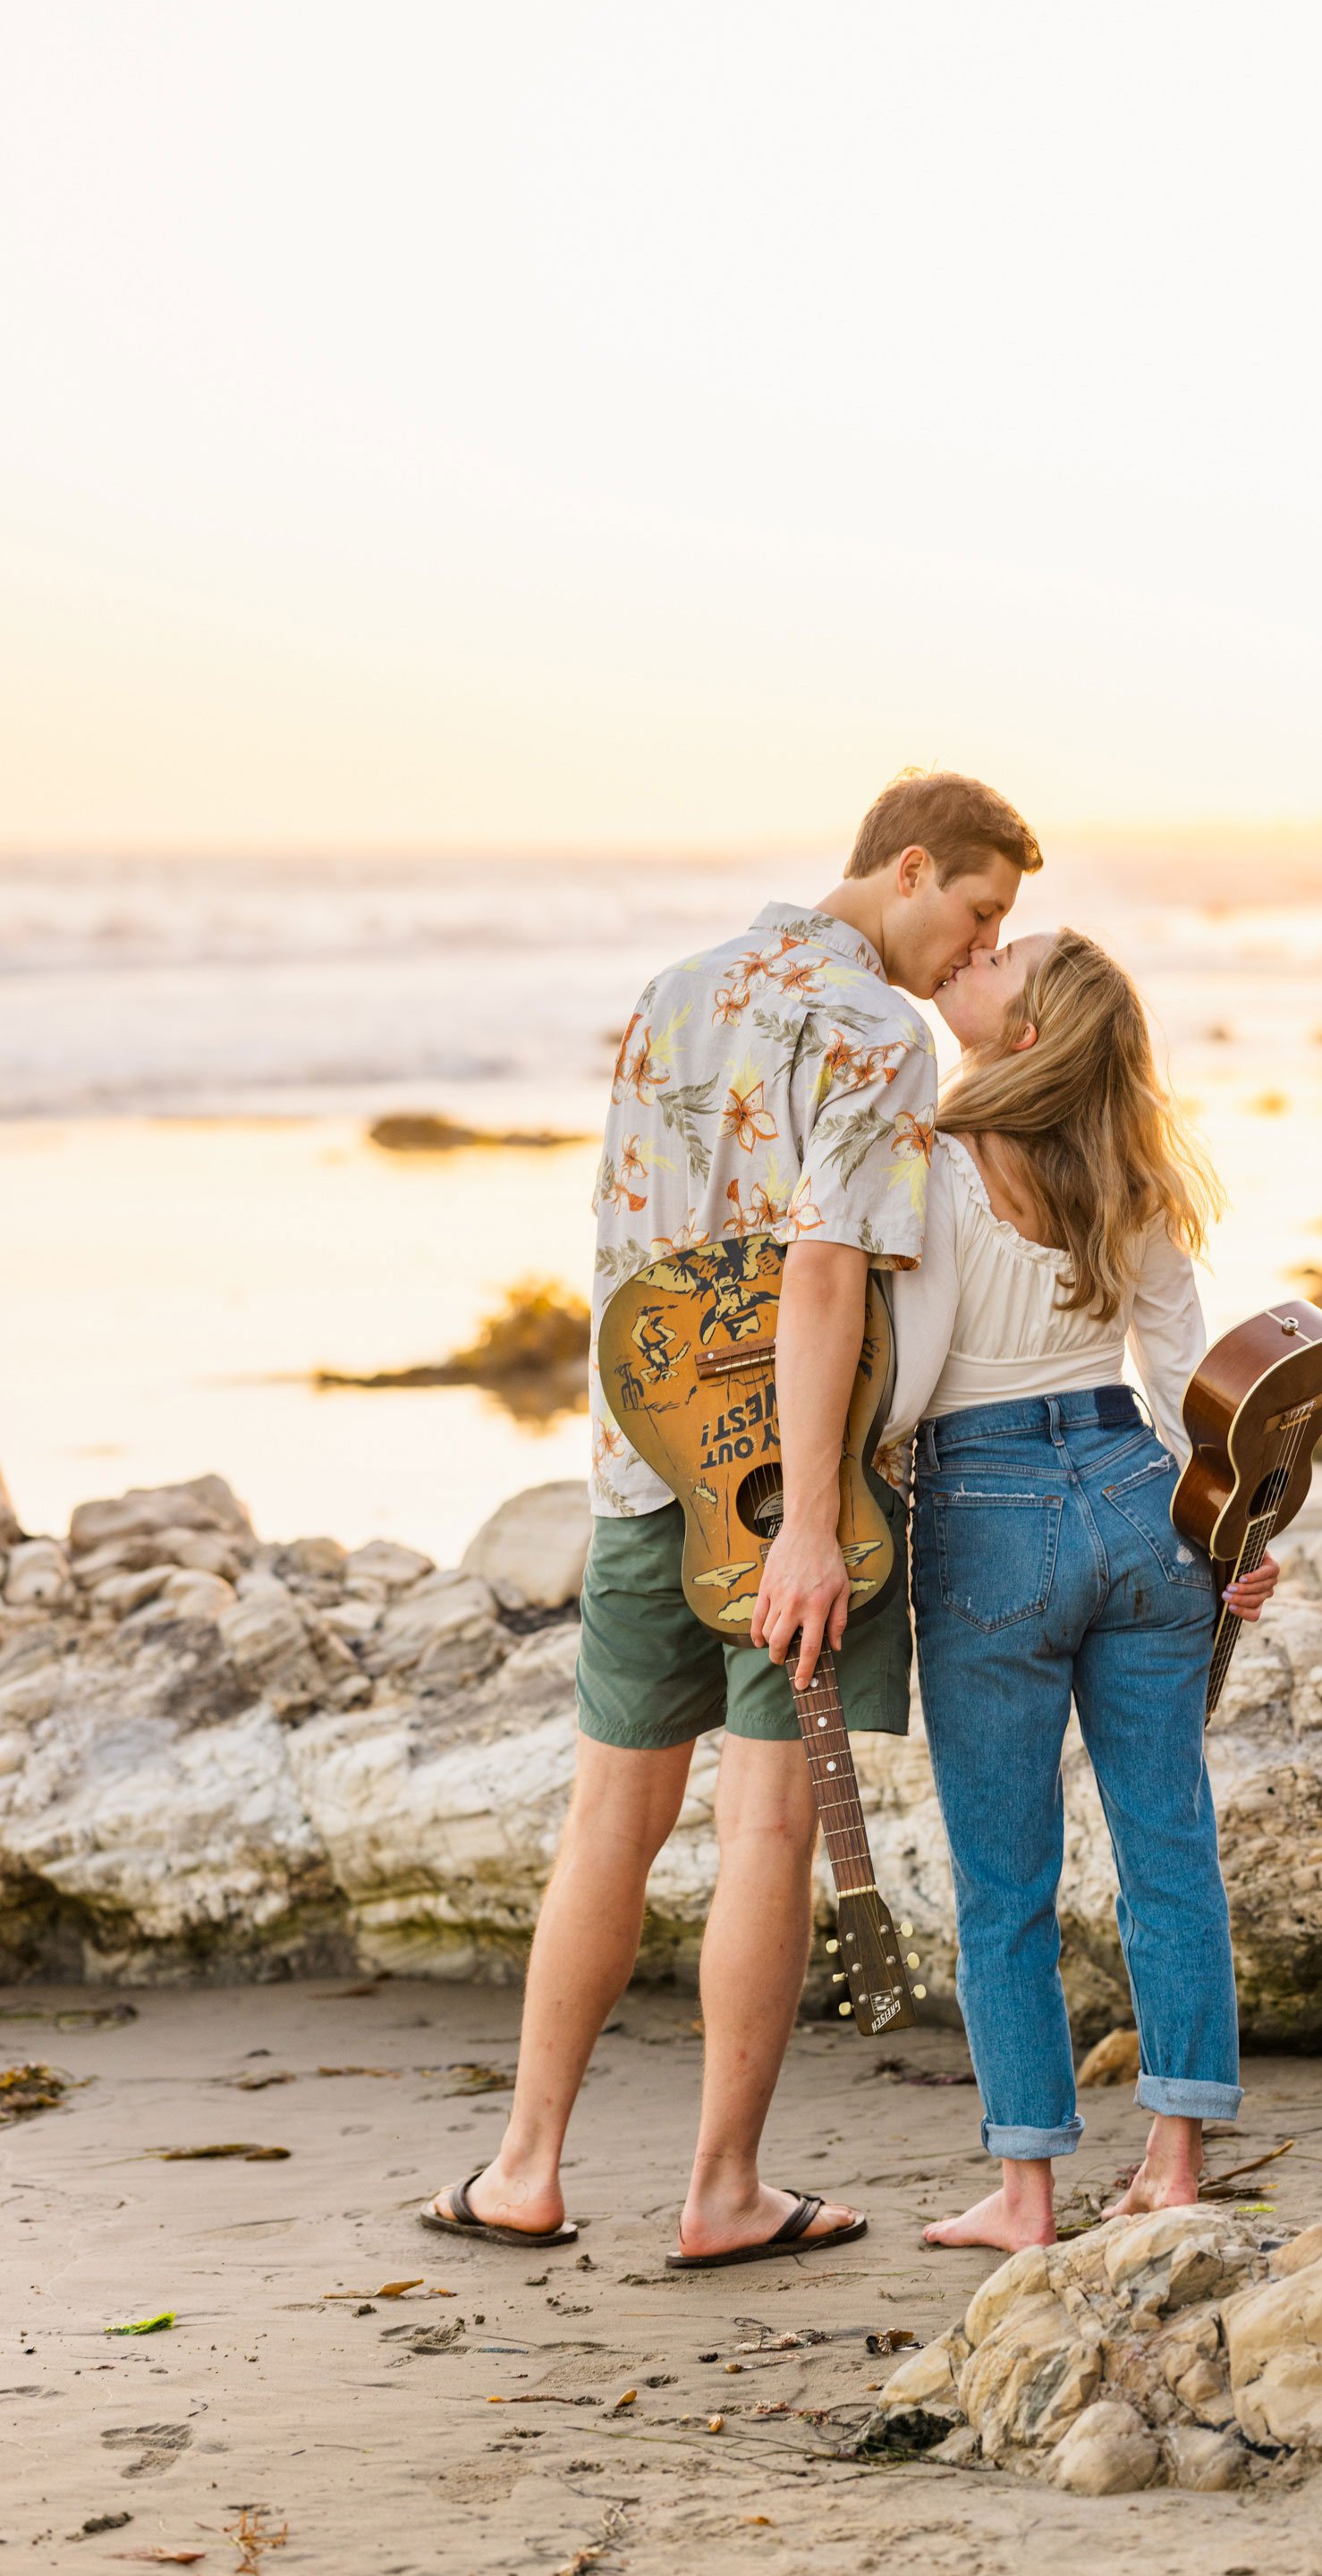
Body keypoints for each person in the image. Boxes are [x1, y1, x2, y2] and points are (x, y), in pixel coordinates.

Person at [424, 770, 1041, 2263]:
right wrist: (816, 1519)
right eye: (977, 913)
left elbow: (628, 1247)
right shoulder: (877, 1028)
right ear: (909, 869)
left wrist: (642, 1455)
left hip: (649, 1472)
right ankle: (721, 2195)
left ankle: (524, 2170)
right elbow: (829, 1270)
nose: (976, 950)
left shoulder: (675, 989)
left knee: (608, 1821)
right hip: (800, 1487)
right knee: (766, 1822)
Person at [881, 928, 1277, 2253]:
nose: (972, 961)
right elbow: (1184, 1374)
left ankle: (1027, 2194)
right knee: (1169, 1845)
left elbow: (914, 1373)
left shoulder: (931, 1157)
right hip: (1136, 1491)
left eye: (1004, 963)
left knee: (1005, 1882)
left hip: (988, 1506)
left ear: (1027, 1034)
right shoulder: (1130, 1170)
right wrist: (1227, 1530)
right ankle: (1173, 2161)